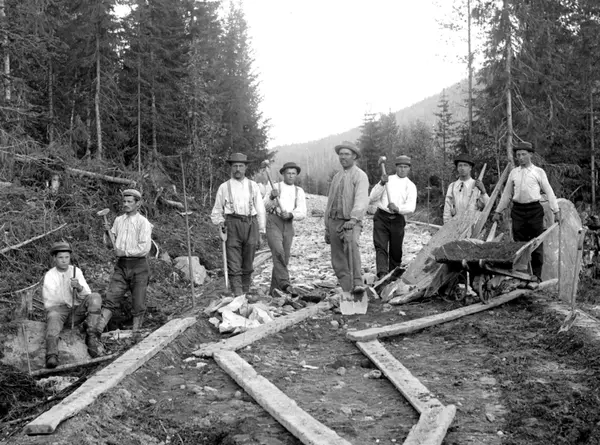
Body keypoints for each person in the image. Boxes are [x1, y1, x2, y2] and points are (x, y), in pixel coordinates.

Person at [492, 141, 560, 279]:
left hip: (534, 210)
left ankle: (536, 277)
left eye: (523, 154)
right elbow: (506, 194)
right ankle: (521, 277)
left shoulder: (538, 172)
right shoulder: (514, 173)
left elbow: (549, 191)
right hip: (518, 211)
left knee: (536, 244)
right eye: (518, 155)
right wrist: (498, 212)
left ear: (530, 155)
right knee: (519, 246)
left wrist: (556, 211)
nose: (520, 157)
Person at [96, 189, 153, 341]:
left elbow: (144, 248)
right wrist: (106, 234)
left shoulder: (143, 223)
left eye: (130, 202)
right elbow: (110, 245)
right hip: (121, 266)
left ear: (138, 203)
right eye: (124, 201)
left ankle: (135, 335)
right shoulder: (118, 221)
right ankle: (96, 331)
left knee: (138, 302)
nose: (126, 204)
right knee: (111, 297)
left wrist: (125, 252)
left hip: (139, 267)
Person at [211, 153, 267, 295]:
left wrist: (261, 230)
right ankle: (237, 293)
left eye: (241, 166)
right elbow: (216, 211)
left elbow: (260, 209)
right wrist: (220, 223)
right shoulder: (224, 187)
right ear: (231, 167)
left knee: (248, 259)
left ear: (246, 167)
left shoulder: (253, 186)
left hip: (251, 223)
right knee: (233, 259)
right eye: (235, 166)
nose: (238, 169)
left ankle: (246, 290)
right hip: (232, 223)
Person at [42, 241, 102, 368]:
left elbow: (87, 294)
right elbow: (50, 301)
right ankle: (52, 354)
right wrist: (68, 291)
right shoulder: (50, 275)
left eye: (66, 257)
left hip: (76, 311)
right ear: (54, 258)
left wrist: (78, 287)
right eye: (60, 258)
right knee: (53, 316)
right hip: (58, 311)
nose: (64, 261)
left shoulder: (76, 271)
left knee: (95, 298)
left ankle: (91, 337)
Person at [324, 141, 369, 294]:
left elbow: (361, 199)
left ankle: (357, 283)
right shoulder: (336, 177)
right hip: (334, 220)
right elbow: (330, 201)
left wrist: (354, 219)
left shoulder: (360, 176)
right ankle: (347, 289)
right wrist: (327, 227)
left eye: (347, 154)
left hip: (350, 221)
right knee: (337, 258)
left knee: (351, 247)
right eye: (341, 154)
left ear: (354, 156)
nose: (343, 157)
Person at [369, 155, 417, 279]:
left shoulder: (410, 186)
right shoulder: (387, 179)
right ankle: (382, 274)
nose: (402, 169)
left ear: (409, 169)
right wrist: (381, 183)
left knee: (396, 250)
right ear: (396, 167)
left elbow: (411, 207)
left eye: (405, 167)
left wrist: (398, 209)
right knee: (381, 247)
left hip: (398, 219)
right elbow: (372, 197)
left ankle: (393, 274)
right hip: (381, 217)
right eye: (400, 167)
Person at [263, 162, 307, 296]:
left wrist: (291, 214)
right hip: (274, 221)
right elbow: (264, 205)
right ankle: (285, 283)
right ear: (283, 174)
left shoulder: (298, 191)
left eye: (294, 173)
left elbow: (302, 212)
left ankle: (275, 291)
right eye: (288, 173)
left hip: (288, 223)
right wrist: (271, 197)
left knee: (284, 258)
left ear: (296, 175)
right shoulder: (274, 187)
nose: (291, 176)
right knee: (278, 251)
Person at [443, 154, 489, 224]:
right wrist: (446, 227)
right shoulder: (452, 186)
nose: (462, 168)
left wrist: (483, 191)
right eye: (460, 165)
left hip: (472, 226)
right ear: (457, 168)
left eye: (465, 165)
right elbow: (447, 209)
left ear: (470, 168)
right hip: (455, 226)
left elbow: (487, 205)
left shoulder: (477, 185)